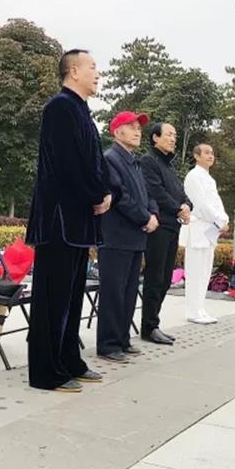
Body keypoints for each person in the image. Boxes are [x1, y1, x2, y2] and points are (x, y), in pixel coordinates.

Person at [26, 49, 110, 393]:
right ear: (73, 71)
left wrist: (105, 192)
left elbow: (94, 162)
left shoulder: (81, 111)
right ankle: (46, 371)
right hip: (59, 219)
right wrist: (96, 194)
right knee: (53, 299)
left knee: (72, 296)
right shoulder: (59, 107)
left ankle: (70, 360)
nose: (97, 73)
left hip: (78, 218)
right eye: (92, 67)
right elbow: (67, 164)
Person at [97, 111, 159, 363]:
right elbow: (120, 196)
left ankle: (122, 338)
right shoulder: (110, 159)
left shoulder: (134, 161)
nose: (137, 132)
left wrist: (153, 213)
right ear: (117, 131)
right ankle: (108, 344)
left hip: (135, 237)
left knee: (129, 291)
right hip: (116, 236)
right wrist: (145, 218)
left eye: (139, 128)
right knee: (113, 292)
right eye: (131, 127)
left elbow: (147, 193)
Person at [140, 123, 193, 345]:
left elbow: (181, 193)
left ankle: (154, 323)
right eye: (169, 134)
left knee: (165, 280)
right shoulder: (148, 161)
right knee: (155, 277)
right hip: (159, 227)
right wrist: (178, 209)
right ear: (155, 137)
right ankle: (149, 327)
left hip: (173, 227)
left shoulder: (169, 166)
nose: (173, 139)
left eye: (175, 135)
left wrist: (187, 205)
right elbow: (155, 192)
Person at [181, 143, 228, 325]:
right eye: (206, 153)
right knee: (195, 273)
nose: (210, 156)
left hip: (210, 231)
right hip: (198, 228)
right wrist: (219, 220)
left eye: (212, 153)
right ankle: (193, 311)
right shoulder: (193, 176)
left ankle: (200, 308)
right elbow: (200, 204)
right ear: (196, 156)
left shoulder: (209, 179)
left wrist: (223, 219)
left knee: (205, 272)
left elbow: (216, 203)